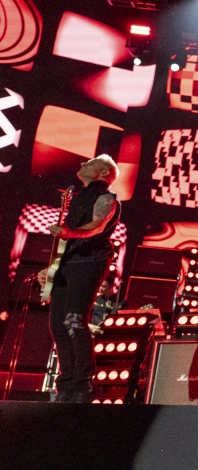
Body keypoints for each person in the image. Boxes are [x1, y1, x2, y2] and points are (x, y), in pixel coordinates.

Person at [38, 155, 122, 403]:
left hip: (90, 260)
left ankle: (83, 384)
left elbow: (97, 225)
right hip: (68, 263)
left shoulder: (106, 197)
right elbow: (66, 239)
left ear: (104, 172)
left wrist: (69, 232)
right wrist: (50, 267)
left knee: (74, 320)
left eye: (91, 162)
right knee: (57, 325)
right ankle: (66, 383)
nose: (83, 163)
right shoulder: (76, 198)